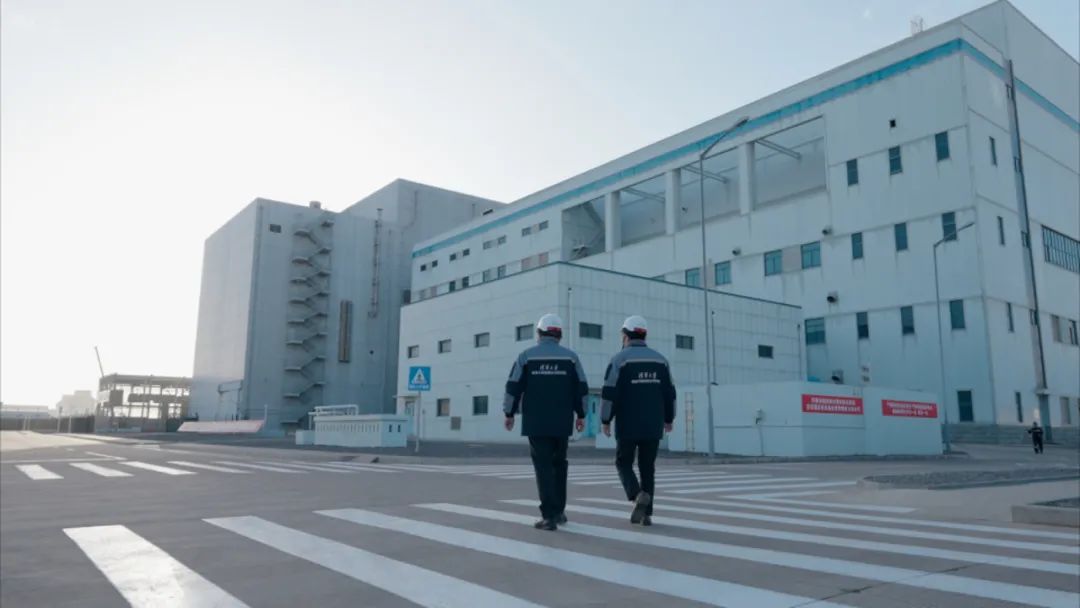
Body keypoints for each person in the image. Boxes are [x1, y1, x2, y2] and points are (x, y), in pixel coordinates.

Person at [504, 313, 588, 530]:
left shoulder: (526, 356)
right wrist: (581, 414)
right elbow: (581, 388)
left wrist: (509, 413)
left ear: (539, 334)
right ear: (559, 335)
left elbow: (513, 386)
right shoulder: (571, 358)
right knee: (559, 464)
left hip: (536, 422)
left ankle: (548, 516)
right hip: (562, 422)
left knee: (543, 467)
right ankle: (559, 512)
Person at [601, 315, 676, 526]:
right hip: (653, 424)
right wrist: (669, 418)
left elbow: (609, 393)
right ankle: (646, 514)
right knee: (647, 467)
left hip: (628, 424)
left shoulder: (619, 360)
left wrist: (605, 419)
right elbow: (670, 393)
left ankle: (636, 495)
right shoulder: (661, 361)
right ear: (644, 335)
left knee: (623, 462)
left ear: (626, 336)